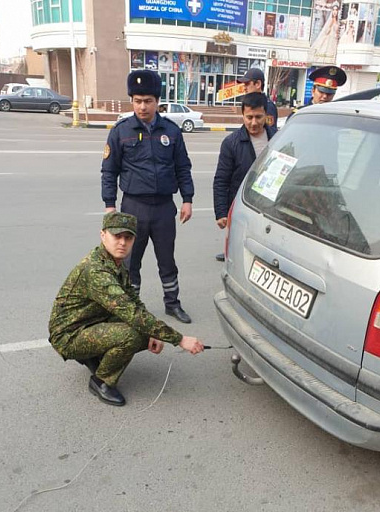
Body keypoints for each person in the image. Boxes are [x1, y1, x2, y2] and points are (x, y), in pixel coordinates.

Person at [48, 212, 204, 406]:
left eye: (128, 238)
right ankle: (101, 381)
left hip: (90, 321)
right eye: (117, 236)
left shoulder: (114, 263)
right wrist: (179, 339)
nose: (122, 242)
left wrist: (155, 333)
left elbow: (134, 302)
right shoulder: (97, 270)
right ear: (103, 235)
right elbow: (133, 314)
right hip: (69, 335)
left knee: (144, 330)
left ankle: (93, 355)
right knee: (133, 334)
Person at [101, 70, 194, 324]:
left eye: (148, 101)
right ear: (132, 101)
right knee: (131, 262)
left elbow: (182, 167)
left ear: (157, 102)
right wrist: (110, 206)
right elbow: (109, 171)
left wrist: (187, 199)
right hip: (133, 208)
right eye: (138, 100)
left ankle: (172, 303)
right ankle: (131, 307)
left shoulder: (172, 132)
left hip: (164, 208)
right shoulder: (121, 131)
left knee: (167, 259)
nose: (143, 106)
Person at [213, 93, 276, 262]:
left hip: (271, 211)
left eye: (258, 117)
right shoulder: (231, 143)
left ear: (266, 116)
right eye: (249, 117)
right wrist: (221, 212)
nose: (253, 122)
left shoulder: (278, 139)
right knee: (241, 256)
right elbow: (221, 180)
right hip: (243, 208)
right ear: (242, 115)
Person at [237, 68, 278, 135]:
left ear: (258, 84)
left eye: (247, 84)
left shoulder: (268, 106)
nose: (244, 88)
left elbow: (270, 133)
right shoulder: (248, 104)